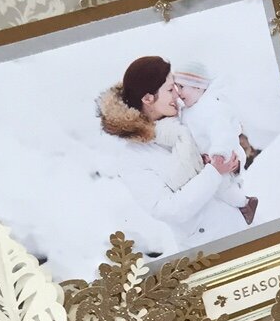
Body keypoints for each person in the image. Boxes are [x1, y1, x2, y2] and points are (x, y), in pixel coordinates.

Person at [97, 55, 258, 247]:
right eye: (170, 89)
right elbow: (167, 209)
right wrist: (213, 172)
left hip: (243, 224)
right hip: (210, 244)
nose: (177, 94)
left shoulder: (187, 114)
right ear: (148, 98)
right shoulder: (133, 157)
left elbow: (228, 139)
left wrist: (234, 162)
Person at [173, 61, 259, 169]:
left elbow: (222, 131)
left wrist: (219, 153)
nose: (178, 92)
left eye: (181, 86)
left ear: (197, 86)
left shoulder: (212, 108)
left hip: (221, 162)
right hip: (204, 166)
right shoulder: (185, 111)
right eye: (176, 87)